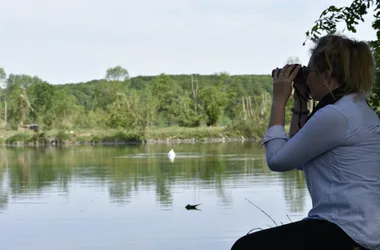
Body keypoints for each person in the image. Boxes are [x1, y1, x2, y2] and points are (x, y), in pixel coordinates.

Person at [231, 34, 380, 250]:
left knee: (246, 247)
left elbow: (277, 160)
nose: (306, 79)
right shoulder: (355, 108)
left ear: (327, 76)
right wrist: (301, 99)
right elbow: (299, 157)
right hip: (362, 227)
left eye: (309, 72)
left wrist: (279, 100)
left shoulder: (336, 115)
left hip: (347, 228)